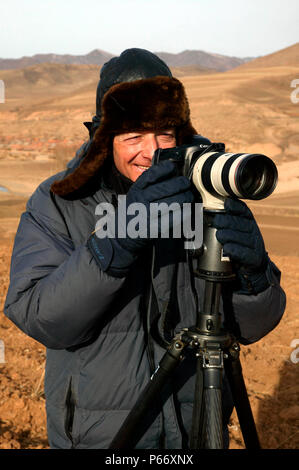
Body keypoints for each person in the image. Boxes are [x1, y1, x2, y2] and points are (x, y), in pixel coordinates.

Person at [4, 48, 286, 449]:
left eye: (164, 135)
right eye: (133, 136)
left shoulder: (204, 197)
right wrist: (113, 243)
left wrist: (254, 277)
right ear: (104, 140)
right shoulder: (60, 203)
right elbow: (42, 317)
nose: (151, 152)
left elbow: (255, 326)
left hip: (196, 430)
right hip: (103, 438)